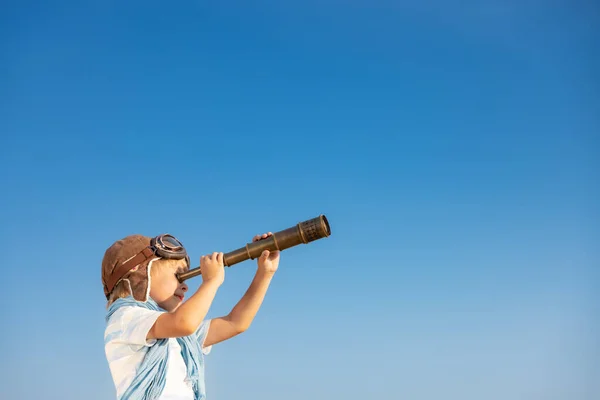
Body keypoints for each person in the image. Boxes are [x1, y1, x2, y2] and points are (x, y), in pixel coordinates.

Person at [101, 231, 279, 400]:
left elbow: (235, 322)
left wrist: (265, 273)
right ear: (139, 271)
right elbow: (184, 323)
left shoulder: (173, 333)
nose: (185, 286)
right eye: (178, 276)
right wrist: (211, 282)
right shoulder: (126, 318)